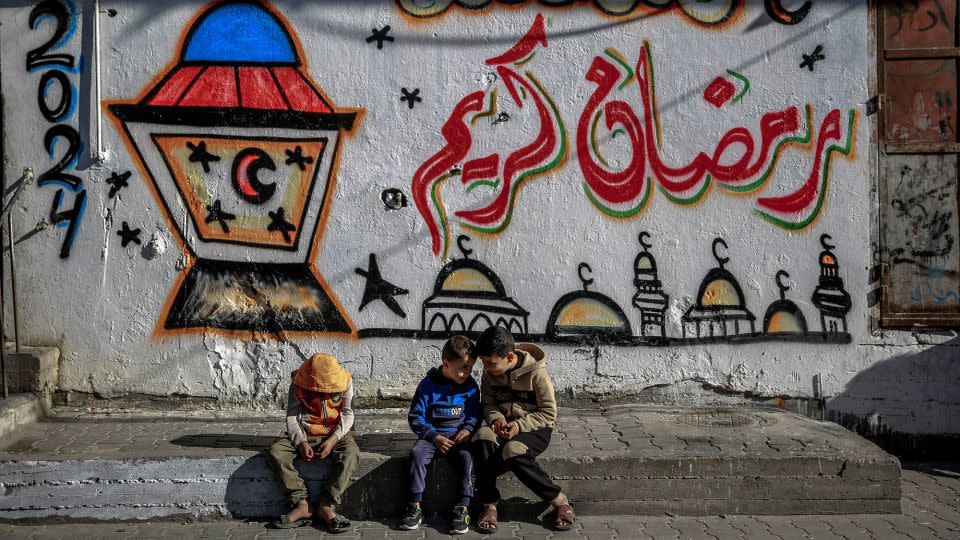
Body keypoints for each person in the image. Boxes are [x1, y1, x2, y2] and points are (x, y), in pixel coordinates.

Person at [471, 326, 576, 533]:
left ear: (509, 356)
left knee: (512, 450)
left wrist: (518, 425)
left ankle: (558, 499)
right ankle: (489, 504)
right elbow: (488, 403)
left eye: (490, 363)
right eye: (483, 363)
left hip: (535, 427)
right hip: (502, 426)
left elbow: (548, 413)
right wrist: (497, 419)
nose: (486, 368)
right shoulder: (490, 371)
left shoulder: (537, 374)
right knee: (481, 437)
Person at [266, 353, 359, 533]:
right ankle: (302, 504)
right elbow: (292, 416)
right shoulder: (298, 381)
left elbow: (348, 414)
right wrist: (301, 442)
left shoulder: (345, 380)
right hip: (305, 433)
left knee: (351, 454)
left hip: (336, 433)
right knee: (275, 452)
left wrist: (333, 440)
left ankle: (326, 504)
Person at [399, 335, 480, 534]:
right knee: (417, 455)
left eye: (470, 368)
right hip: (432, 436)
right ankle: (414, 506)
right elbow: (416, 418)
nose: (466, 373)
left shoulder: (471, 387)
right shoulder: (427, 385)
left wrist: (467, 429)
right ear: (446, 363)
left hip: (459, 436)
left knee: (468, 458)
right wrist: (433, 437)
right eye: (463, 368)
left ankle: (462, 507)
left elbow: (474, 414)